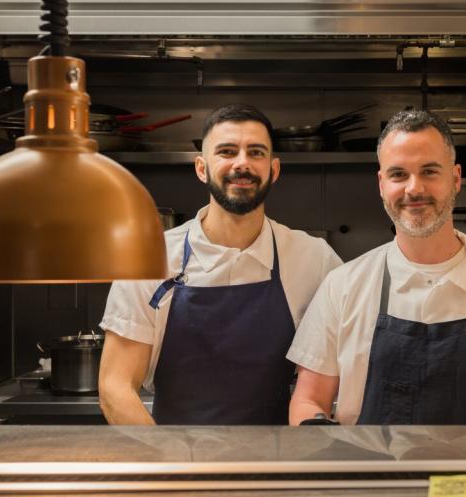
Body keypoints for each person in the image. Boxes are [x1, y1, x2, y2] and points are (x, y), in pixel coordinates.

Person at [287, 109, 466, 425]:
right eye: (398, 174)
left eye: (429, 171)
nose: (414, 189)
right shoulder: (342, 287)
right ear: (381, 184)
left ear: (456, 178)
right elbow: (309, 398)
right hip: (374, 474)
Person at [98, 103, 342, 425]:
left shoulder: (314, 259)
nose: (242, 163)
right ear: (201, 168)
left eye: (256, 153)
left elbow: (348, 369)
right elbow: (115, 387)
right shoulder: (150, 260)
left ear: (274, 169)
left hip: (279, 464)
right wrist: (168, 464)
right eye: (227, 151)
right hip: (177, 461)